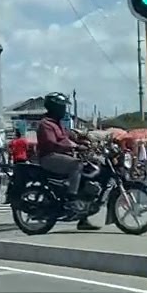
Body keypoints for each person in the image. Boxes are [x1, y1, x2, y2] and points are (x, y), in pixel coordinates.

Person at [34, 92, 99, 231]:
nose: (64, 110)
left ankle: (83, 217)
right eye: (62, 107)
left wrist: (85, 141)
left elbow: (70, 137)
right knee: (77, 165)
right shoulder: (46, 124)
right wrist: (75, 146)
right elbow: (52, 143)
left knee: (90, 169)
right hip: (49, 157)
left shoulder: (59, 124)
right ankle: (71, 198)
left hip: (61, 156)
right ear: (54, 108)